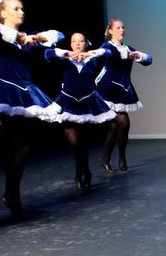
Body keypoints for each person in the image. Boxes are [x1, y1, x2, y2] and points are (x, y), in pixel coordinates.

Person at [0, 0, 64, 219]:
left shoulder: (28, 36)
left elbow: (59, 34)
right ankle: (12, 194)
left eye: (22, 8)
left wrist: (36, 38)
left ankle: (11, 192)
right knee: (21, 142)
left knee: (21, 145)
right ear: (3, 12)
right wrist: (16, 36)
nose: (21, 12)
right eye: (16, 8)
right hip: (3, 90)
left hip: (25, 91)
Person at [45, 33, 115, 191]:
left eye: (81, 41)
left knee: (83, 143)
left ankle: (86, 172)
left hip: (86, 104)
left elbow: (108, 53)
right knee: (74, 144)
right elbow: (48, 54)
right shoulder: (64, 60)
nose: (77, 44)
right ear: (70, 44)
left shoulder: (92, 60)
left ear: (86, 44)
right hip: (67, 103)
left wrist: (90, 54)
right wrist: (67, 54)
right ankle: (80, 172)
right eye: (74, 41)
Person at [96, 19, 153, 174]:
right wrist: (128, 55)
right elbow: (110, 54)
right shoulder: (107, 46)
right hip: (108, 89)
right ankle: (119, 158)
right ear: (110, 31)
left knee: (117, 126)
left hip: (123, 89)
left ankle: (108, 158)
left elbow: (149, 60)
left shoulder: (128, 48)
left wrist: (138, 55)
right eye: (118, 27)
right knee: (122, 122)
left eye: (123, 27)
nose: (122, 30)